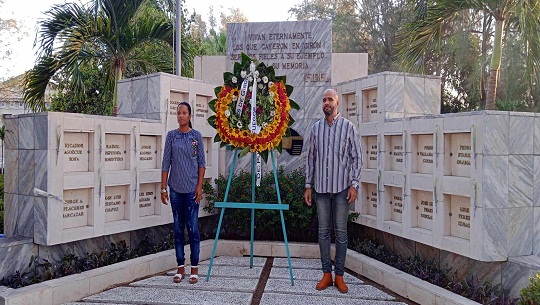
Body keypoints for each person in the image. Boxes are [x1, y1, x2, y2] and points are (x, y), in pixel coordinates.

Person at [304, 88, 363, 293]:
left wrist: (355, 184)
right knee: (322, 232)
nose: (326, 103)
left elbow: (357, 157)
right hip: (320, 189)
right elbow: (310, 158)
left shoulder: (349, 128)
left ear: (337, 103)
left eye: (330, 99)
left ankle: (339, 276)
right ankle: (326, 274)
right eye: (324, 100)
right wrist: (308, 185)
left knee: (341, 233)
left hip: (341, 190)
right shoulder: (316, 129)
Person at [161, 102, 206, 284]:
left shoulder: (196, 137)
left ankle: (194, 267)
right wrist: (163, 187)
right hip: (175, 190)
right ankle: (180, 267)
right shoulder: (172, 136)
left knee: (193, 228)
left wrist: (200, 186)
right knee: (178, 228)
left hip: (191, 190)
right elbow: (166, 163)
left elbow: (201, 163)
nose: (180, 116)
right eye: (178, 113)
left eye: (184, 113)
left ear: (190, 116)